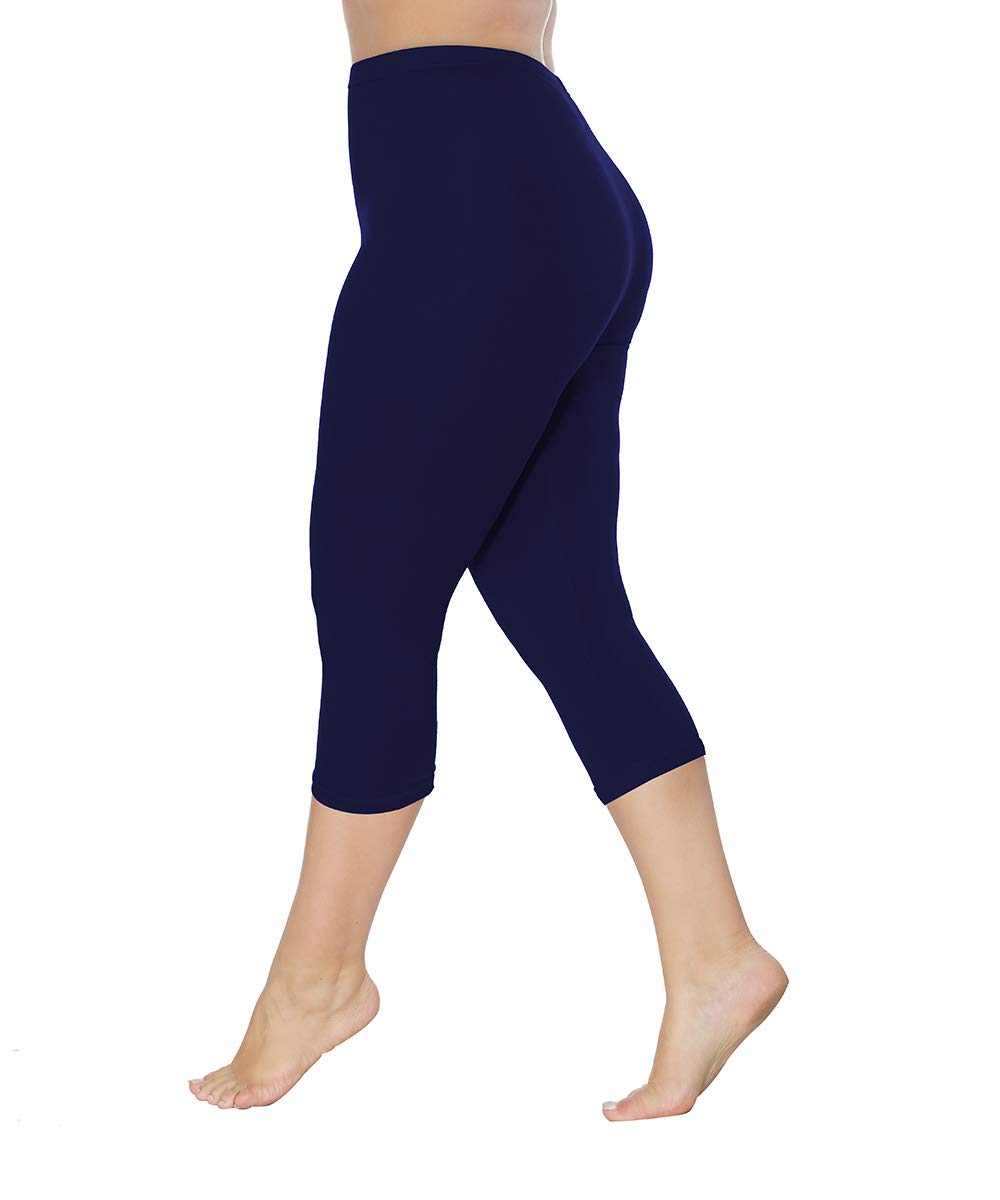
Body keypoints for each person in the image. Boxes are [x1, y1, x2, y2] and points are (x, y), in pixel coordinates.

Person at [189, 0, 786, 1120]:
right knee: (565, 601)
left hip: (470, 192)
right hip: (521, 174)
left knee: (372, 599)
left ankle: (317, 979)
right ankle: (715, 953)